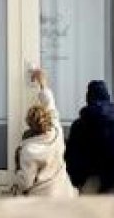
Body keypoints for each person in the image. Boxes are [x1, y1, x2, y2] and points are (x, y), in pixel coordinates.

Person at [11, 69, 77, 198]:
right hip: (64, 194)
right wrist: (43, 83)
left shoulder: (28, 150)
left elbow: (26, 183)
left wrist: (17, 174)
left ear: (30, 125)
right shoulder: (56, 131)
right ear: (46, 118)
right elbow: (50, 103)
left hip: (42, 199)